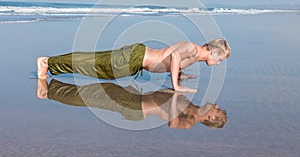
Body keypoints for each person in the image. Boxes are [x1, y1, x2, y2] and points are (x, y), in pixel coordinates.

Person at [37, 38, 230, 92]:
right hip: (135, 58)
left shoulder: (196, 54)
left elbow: (175, 61)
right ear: (213, 51)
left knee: (96, 64)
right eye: (220, 59)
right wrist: (176, 86)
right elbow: (175, 58)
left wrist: (179, 75)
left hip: (136, 59)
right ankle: (47, 62)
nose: (219, 63)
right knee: (94, 63)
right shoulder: (192, 48)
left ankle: (52, 64)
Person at [36, 78, 227, 129]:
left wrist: (175, 100)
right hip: (136, 98)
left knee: (93, 97)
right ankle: (54, 87)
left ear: (210, 118)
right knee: (100, 89)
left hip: (134, 107)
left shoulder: (190, 121)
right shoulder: (192, 107)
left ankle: (48, 92)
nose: (216, 105)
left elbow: (171, 123)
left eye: (217, 111)